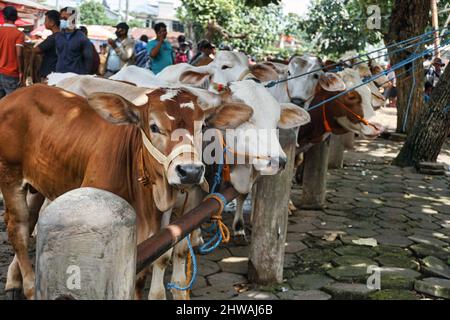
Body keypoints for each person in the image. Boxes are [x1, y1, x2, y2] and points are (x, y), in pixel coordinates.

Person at [55, 7, 93, 74]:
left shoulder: (82, 39)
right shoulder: (58, 36)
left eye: (65, 19)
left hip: (75, 77)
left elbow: (89, 59)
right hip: (59, 75)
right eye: (61, 18)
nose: (62, 21)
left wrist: (84, 74)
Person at [0, 6, 25, 98]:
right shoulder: (19, 34)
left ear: (4, 17)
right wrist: (21, 72)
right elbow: (19, 54)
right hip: (11, 73)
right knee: (12, 103)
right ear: (16, 17)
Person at [32, 10, 60, 80]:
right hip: (57, 72)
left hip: (49, 73)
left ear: (52, 22)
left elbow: (36, 50)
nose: (44, 23)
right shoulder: (62, 36)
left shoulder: (53, 38)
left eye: (45, 20)